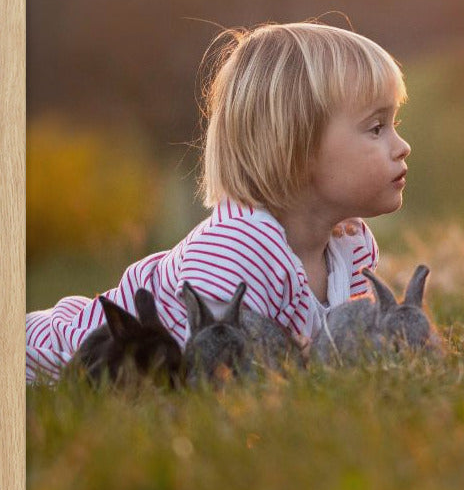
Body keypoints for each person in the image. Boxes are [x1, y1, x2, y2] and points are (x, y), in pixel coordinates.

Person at [26, 21, 411, 383]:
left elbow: (346, 352)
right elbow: (197, 371)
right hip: (45, 352)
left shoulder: (352, 247)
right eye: (376, 128)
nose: (402, 147)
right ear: (295, 146)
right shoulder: (235, 252)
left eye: (394, 124)